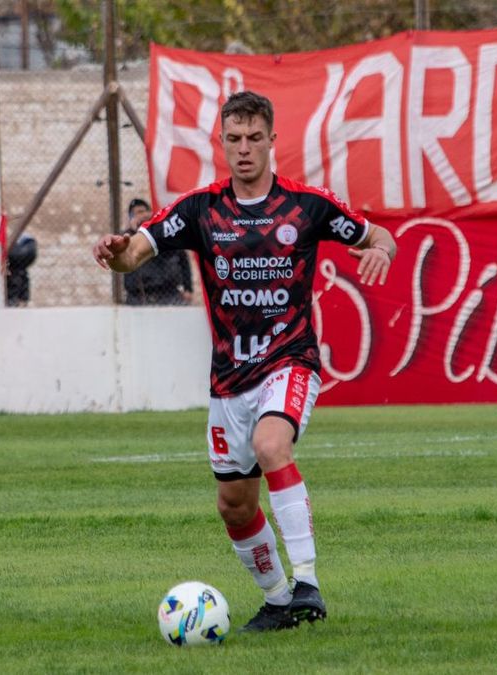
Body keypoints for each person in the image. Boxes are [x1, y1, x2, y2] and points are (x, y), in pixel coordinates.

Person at [92, 91, 396, 632]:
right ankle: (279, 598)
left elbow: (379, 234)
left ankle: (307, 582)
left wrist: (381, 250)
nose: (244, 149)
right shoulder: (200, 209)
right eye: (234, 139)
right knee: (233, 504)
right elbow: (136, 252)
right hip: (229, 380)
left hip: (290, 359)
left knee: (271, 445)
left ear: (272, 141)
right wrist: (117, 253)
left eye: (255, 138)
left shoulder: (308, 205)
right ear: (222, 143)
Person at [122, 198, 192, 305]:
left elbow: (182, 259)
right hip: (138, 296)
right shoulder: (127, 237)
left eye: (146, 211)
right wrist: (137, 233)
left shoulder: (163, 232)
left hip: (168, 293)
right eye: (139, 212)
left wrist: (188, 288)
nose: (144, 215)